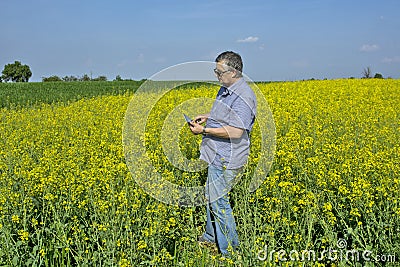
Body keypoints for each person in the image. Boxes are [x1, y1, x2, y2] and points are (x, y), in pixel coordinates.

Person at [189, 51, 257, 256]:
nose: (216, 75)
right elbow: (225, 115)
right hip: (216, 154)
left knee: (220, 202)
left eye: (219, 72)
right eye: (215, 71)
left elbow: (237, 131)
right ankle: (211, 237)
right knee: (212, 197)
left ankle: (230, 252)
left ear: (234, 72)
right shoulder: (225, 89)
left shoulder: (244, 96)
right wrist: (207, 116)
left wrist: (205, 130)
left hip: (228, 157)